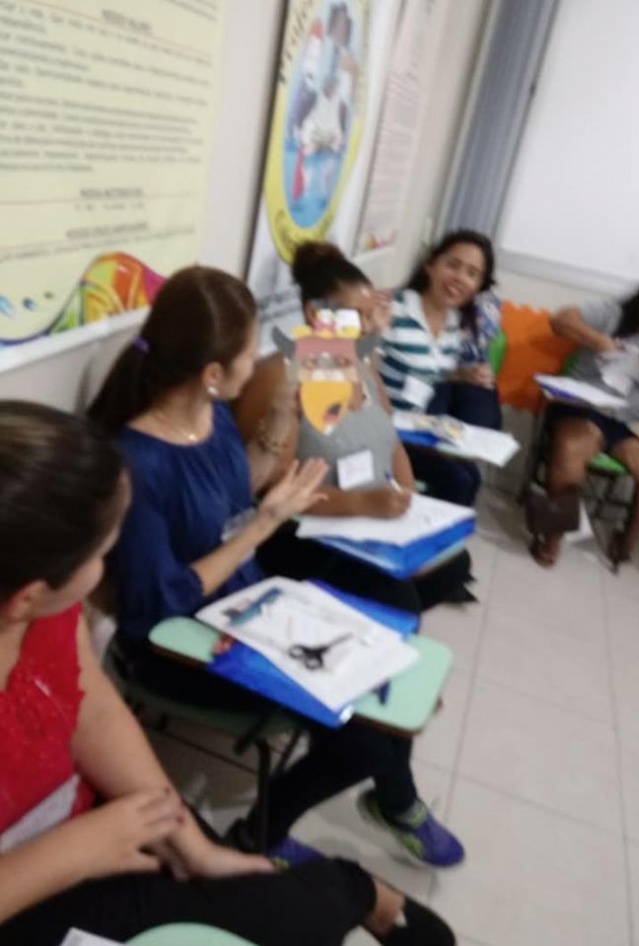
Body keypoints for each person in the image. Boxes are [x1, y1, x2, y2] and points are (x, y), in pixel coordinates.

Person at [0, 400, 456, 946]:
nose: (106, 572)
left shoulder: (50, 612)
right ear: (27, 596)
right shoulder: (146, 463)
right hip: (42, 875)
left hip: (91, 825)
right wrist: (80, 849)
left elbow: (92, 710)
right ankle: (358, 891)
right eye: (101, 555)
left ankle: (352, 888)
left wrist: (192, 845)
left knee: (260, 895)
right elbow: (163, 598)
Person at [89, 265, 466, 870]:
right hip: (177, 643)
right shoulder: (137, 463)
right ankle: (263, 832)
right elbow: (158, 602)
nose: (261, 357)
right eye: (249, 349)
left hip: (248, 603)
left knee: (388, 682)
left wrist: (284, 418)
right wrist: (263, 525)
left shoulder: (208, 417)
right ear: (214, 372)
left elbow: (237, 490)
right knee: (370, 734)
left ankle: (349, 810)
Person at [235, 240, 474, 613]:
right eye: (354, 316)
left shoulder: (360, 365)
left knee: (453, 566)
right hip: (305, 532)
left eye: (368, 315)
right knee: (399, 600)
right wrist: (362, 504)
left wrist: (407, 498)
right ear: (315, 313)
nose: (364, 328)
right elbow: (273, 485)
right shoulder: (280, 377)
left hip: (371, 522)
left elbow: (391, 441)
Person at [532, 273, 639, 568]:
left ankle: (626, 540)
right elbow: (560, 320)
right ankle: (552, 538)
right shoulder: (613, 313)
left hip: (632, 422)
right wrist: (598, 340)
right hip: (585, 407)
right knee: (571, 450)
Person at [378, 230, 501, 509]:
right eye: (452, 265)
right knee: (458, 479)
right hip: (381, 431)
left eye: (472, 273)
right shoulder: (393, 309)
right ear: (430, 265)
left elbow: (429, 371)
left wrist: (463, 375)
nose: (459, 278)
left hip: (415, 430)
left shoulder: (455, 324)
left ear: (479, 285)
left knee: (470, 474)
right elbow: (364, 370)